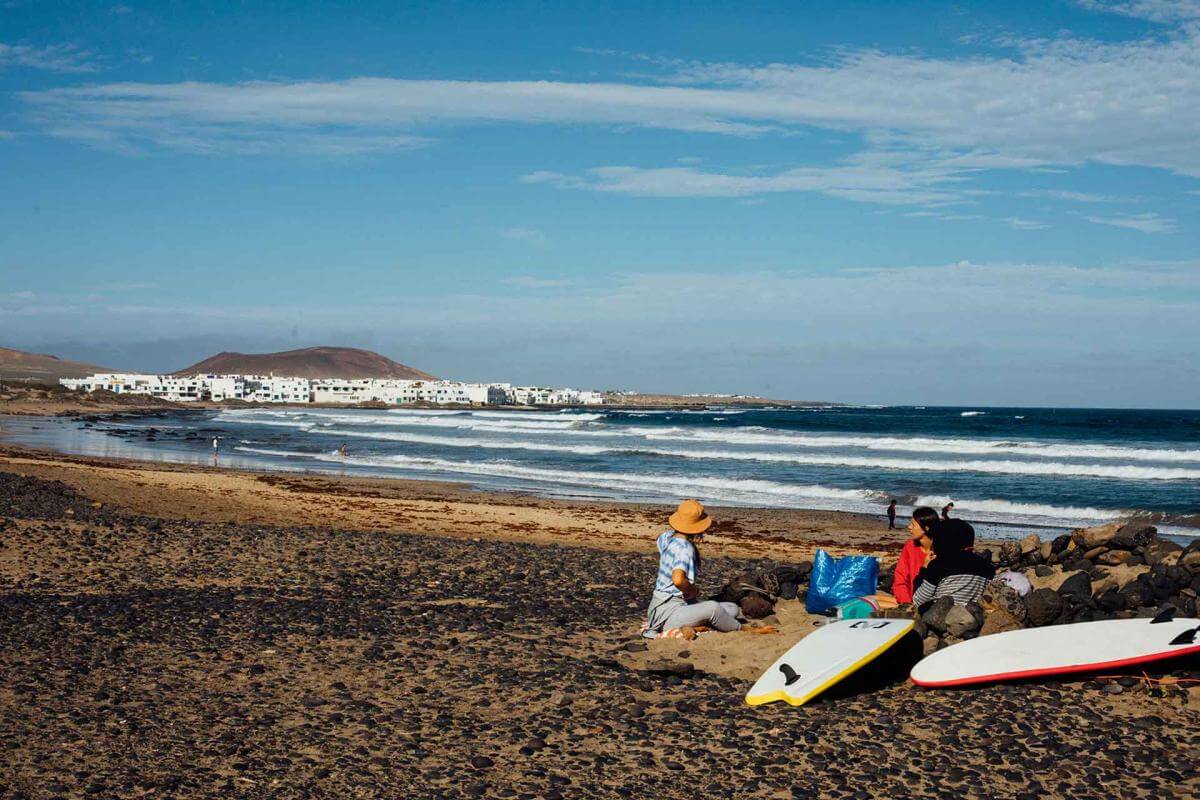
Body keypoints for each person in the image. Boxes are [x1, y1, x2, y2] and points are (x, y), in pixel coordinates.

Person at [645, 500, 774, 639]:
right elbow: (678, 579)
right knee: (713, 608)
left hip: (661, 606)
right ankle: (745, 629)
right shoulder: (685, 549)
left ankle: (691, 625)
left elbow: (662, 545)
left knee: (732, 609)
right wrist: (692, 590)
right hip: (668, 613)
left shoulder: (666, 537)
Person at [911, 519, 995, 612]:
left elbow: (918, 600)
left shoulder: (939, 564)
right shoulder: (988, 567)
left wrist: (924, 568)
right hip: (971, 616)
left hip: (940, 616)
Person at [892, 506, 939, 604]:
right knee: (865, 601)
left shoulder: (941, 549)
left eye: (913, 524)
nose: (909, 527)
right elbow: (900, 578)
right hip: (910, 601)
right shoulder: (910, 546)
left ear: (926, 528)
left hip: (933, 605)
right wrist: (907, 603)